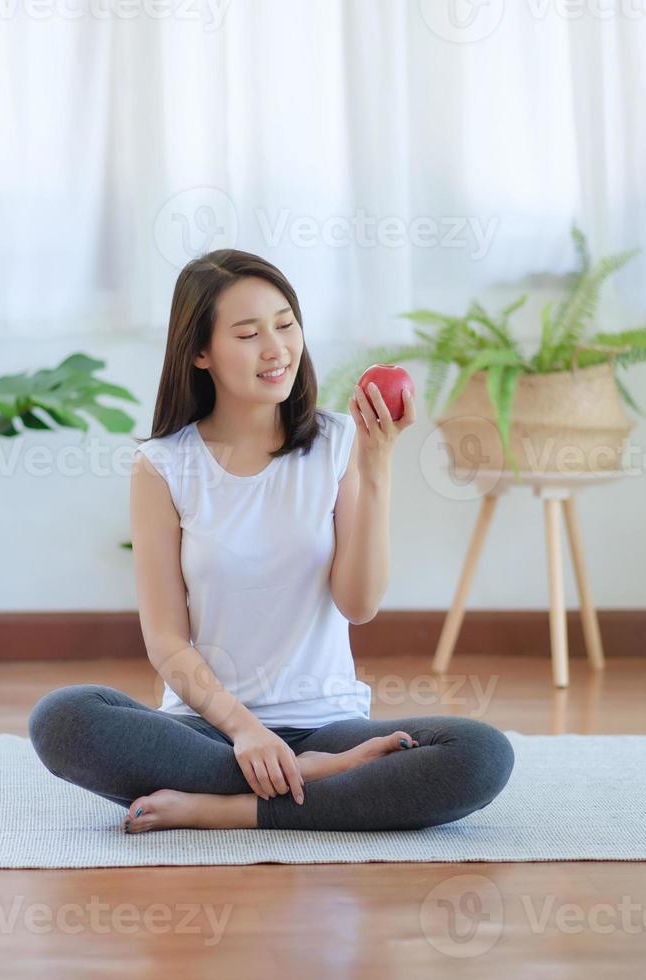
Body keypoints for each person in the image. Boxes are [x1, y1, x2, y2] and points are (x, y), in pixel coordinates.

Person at [27, 249, 513, 833]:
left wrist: (376, 468)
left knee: (481, 754)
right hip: (207, 729)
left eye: (285, 324)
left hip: (327, 724)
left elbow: (359, 605)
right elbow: (165, 641)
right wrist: (247, 732)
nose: (276, 348)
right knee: (62, 720)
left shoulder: (337, 442)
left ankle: (229, 808)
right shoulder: (162, 466)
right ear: (201, 352)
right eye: (248, 333)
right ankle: (315, 780)